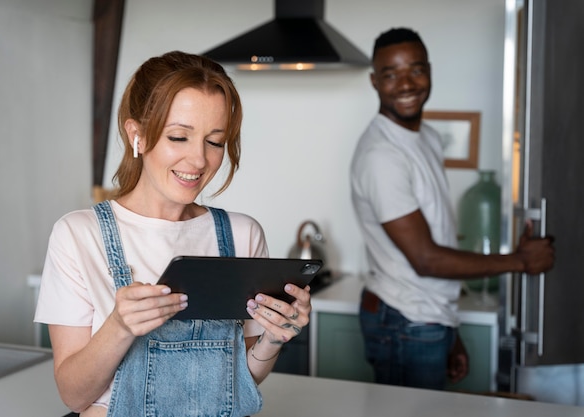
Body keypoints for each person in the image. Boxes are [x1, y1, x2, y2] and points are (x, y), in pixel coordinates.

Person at [34, 51, 311, 417]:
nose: (198, 160)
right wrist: (119, 326)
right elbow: (73, 394)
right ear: (138, 135)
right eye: (179, 137)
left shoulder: (243, 234)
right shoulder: (79, 235)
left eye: (214, 141)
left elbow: (238, 381)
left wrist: (272, 339)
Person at [350, 28, 555, 391]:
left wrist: (449, 327)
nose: (406, 83)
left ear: (429, 70)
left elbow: (437, 236)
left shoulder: (425, 136)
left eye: (415, 69)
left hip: (425, 318)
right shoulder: (382, 155)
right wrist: (520, 261)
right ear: (374, 81)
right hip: (404, 321)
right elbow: (426, 259)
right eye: (391, 74)